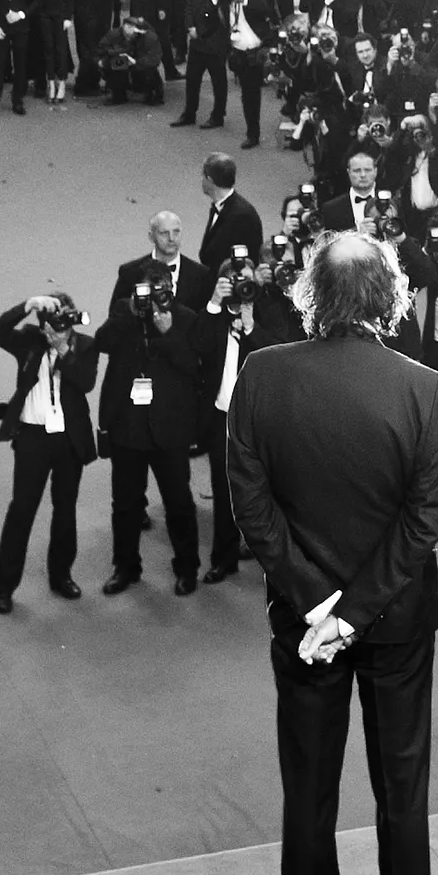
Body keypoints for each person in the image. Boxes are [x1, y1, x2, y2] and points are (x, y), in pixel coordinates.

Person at [225, 230, 438, 875]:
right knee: (403, 787)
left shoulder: (262, 373)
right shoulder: (422, 384)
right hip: (395, 624)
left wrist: (318, 603)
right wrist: (356, 609)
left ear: (310, 293)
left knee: (310, 789)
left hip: (303, 624)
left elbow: (250, 507)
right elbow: (425, 522)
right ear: (389, 296)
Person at [96, 211, 214, 597]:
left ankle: (186, 568)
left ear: (171, 290)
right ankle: (125, 567)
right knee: (126, 504)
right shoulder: (124, 314)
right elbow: (102, 343)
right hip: (129, 426)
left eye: (162, 291)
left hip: (170, 429)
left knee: (179, 503)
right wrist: (131, 314)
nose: (156, 298)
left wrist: (166, 334)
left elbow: (194, 366)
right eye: (148, 291)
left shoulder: (185, 318)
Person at [0, 291, 97, 613]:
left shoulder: (85, 345)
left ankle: (61, 575)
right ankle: (4, 586)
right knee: (21, 510)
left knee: (65, 510)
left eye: (63, 316)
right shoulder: (29, 341)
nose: (56, 324)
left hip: (68, 440)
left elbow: (86, 382)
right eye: (49, 318)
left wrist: (63, 347)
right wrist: (26, 305)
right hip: (33, 438)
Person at [194, 155, 265, 585]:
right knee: (222, 491)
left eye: (245, 284)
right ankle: (222, 556)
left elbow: (273, 352)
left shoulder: (266, 320)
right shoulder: (214, 318)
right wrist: (217, 303)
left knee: (258, 490)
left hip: (257, 421)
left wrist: (251, 320)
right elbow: (198, 343)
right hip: (221, 417)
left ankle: (261, 547)